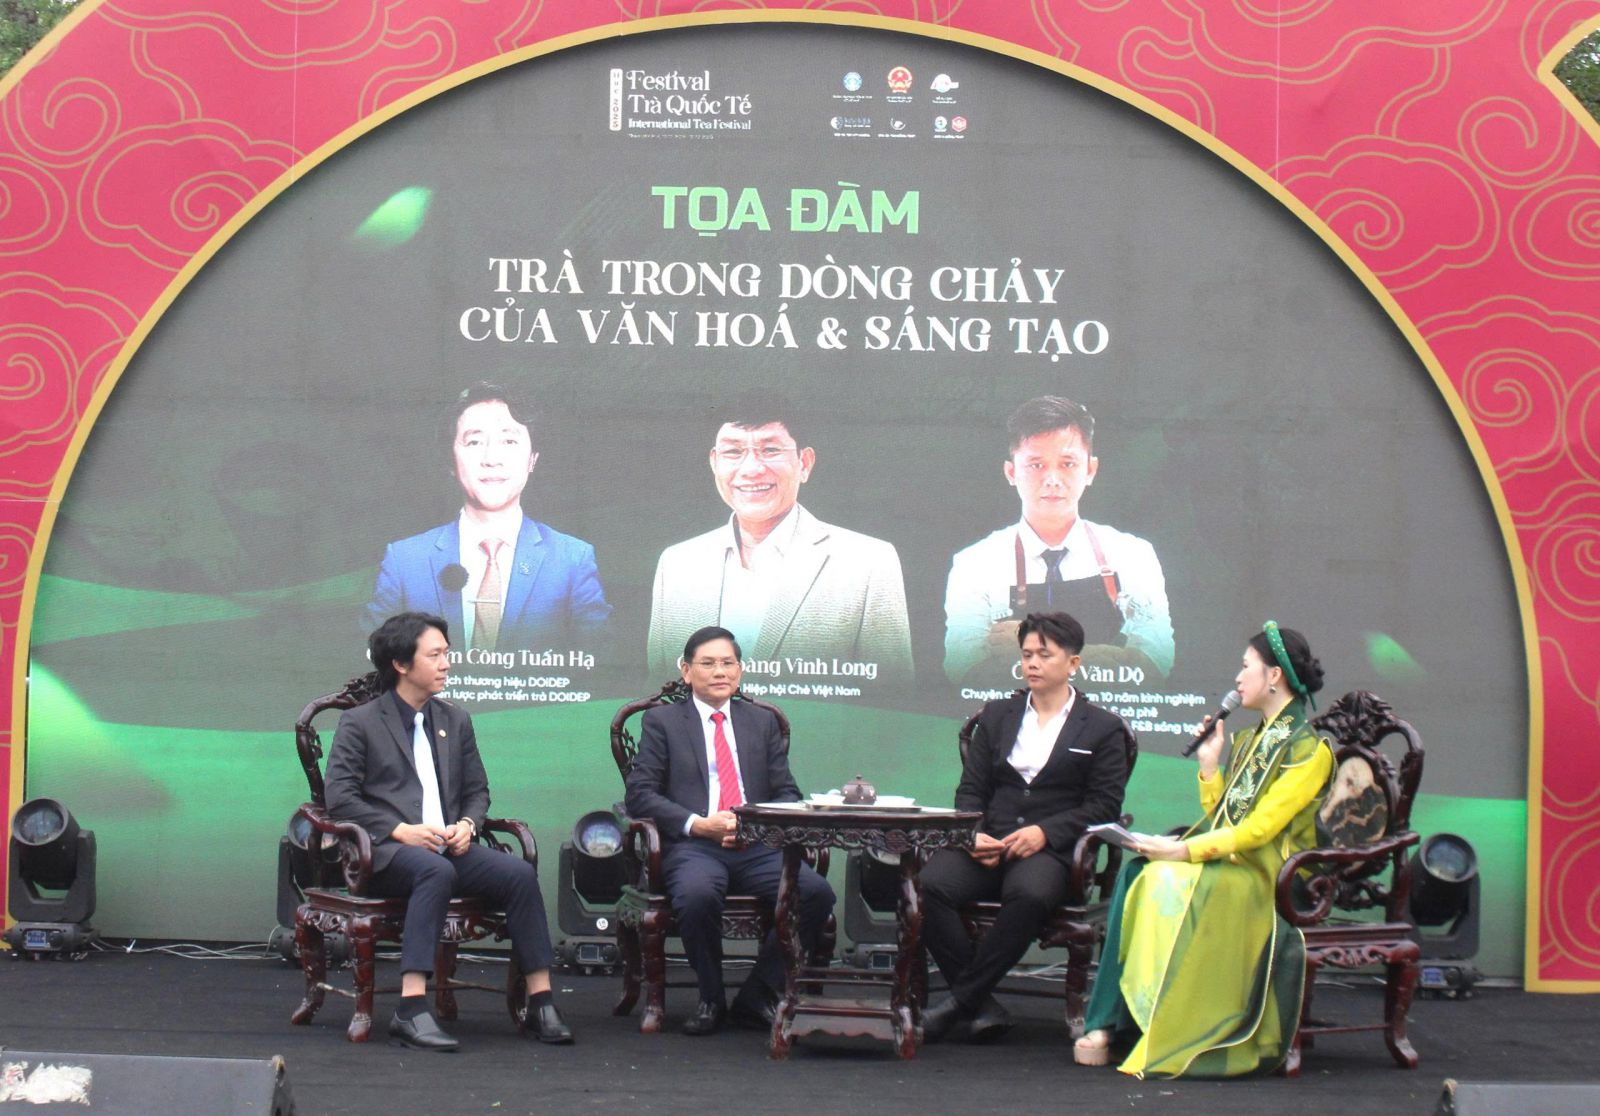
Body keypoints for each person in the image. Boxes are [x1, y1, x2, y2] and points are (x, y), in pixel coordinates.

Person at [1074, 622, 1334, 1077]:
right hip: (1237, 864)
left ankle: (1154, 1024)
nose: (1238, 678)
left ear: (1274, 675)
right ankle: (1114, 1021)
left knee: (1161, 875)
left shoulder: (1309, 751)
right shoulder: (1252, 740)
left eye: (1246, 666)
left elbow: (1259, 831)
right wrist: (1210, 765)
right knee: (1137, 871)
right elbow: (1226, 818)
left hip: (1273, 878)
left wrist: (1183, 852)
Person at [324, 611, 574, 1049]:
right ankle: (411, 1007)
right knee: (433, 871)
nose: (447, 664)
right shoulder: (361, 722)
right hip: (387, 853)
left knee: (518, 874)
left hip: (448, 846)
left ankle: (540, 1000)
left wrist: (467, 824)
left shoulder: (455, 719)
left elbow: (477, 790)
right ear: (401, 664)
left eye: (447, 653)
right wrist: (399, 830)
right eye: (435, 655)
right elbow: (340, 798)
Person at [919, 612, 1130, 1043]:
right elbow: (971, 789)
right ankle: (981, 1004)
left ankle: (959, 1002)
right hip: (990, 840)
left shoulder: (1102, 727)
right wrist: (972, 833)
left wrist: (1045, 833)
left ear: (1073, 663)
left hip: (1052, 851)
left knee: (1029, 894)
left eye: (1044, 655)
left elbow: (1104, 805)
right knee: (928, 885)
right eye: (1027, 654)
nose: (1032, 663)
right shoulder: (998, 715)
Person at [624, 625, 837, 1035]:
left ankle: (757, 994)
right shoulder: (663, 721)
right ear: (686, 671)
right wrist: (698, 824)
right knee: (697, 895)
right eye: (708, 663)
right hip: (694, 845)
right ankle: (711, 998)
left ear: (739, 670)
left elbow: (786, 792)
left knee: (816, 894)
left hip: (756, 846)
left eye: (728, 663)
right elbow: (640, 794)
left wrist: (755, 824)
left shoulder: (762, 721)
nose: (719, 672)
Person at [646, 412, 912, 685]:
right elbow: (660, 693)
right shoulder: (677, 563)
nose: (751, 469)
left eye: (770, 450)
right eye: (733, 452)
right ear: (714, 462)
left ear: (804, 463)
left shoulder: (868, 563)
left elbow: (892, 697)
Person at [363, 382, 610, 656]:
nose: (492, 459)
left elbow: (599, 662)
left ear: (532, 460)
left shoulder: (573, 560)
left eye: (509, 441)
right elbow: (371, 661)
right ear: (451, 461)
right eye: (474, 442)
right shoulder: (404, 560)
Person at [943, 396, 1173, 686]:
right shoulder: (974, 564)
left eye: (1067, 464)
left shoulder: (1134, 555)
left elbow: (1154, 666)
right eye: (1036, 465)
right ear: (1011, 472)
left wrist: (1038, 644)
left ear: (1090, 470)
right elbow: (966, 672)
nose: (1052, 479)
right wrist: (1103, 657)